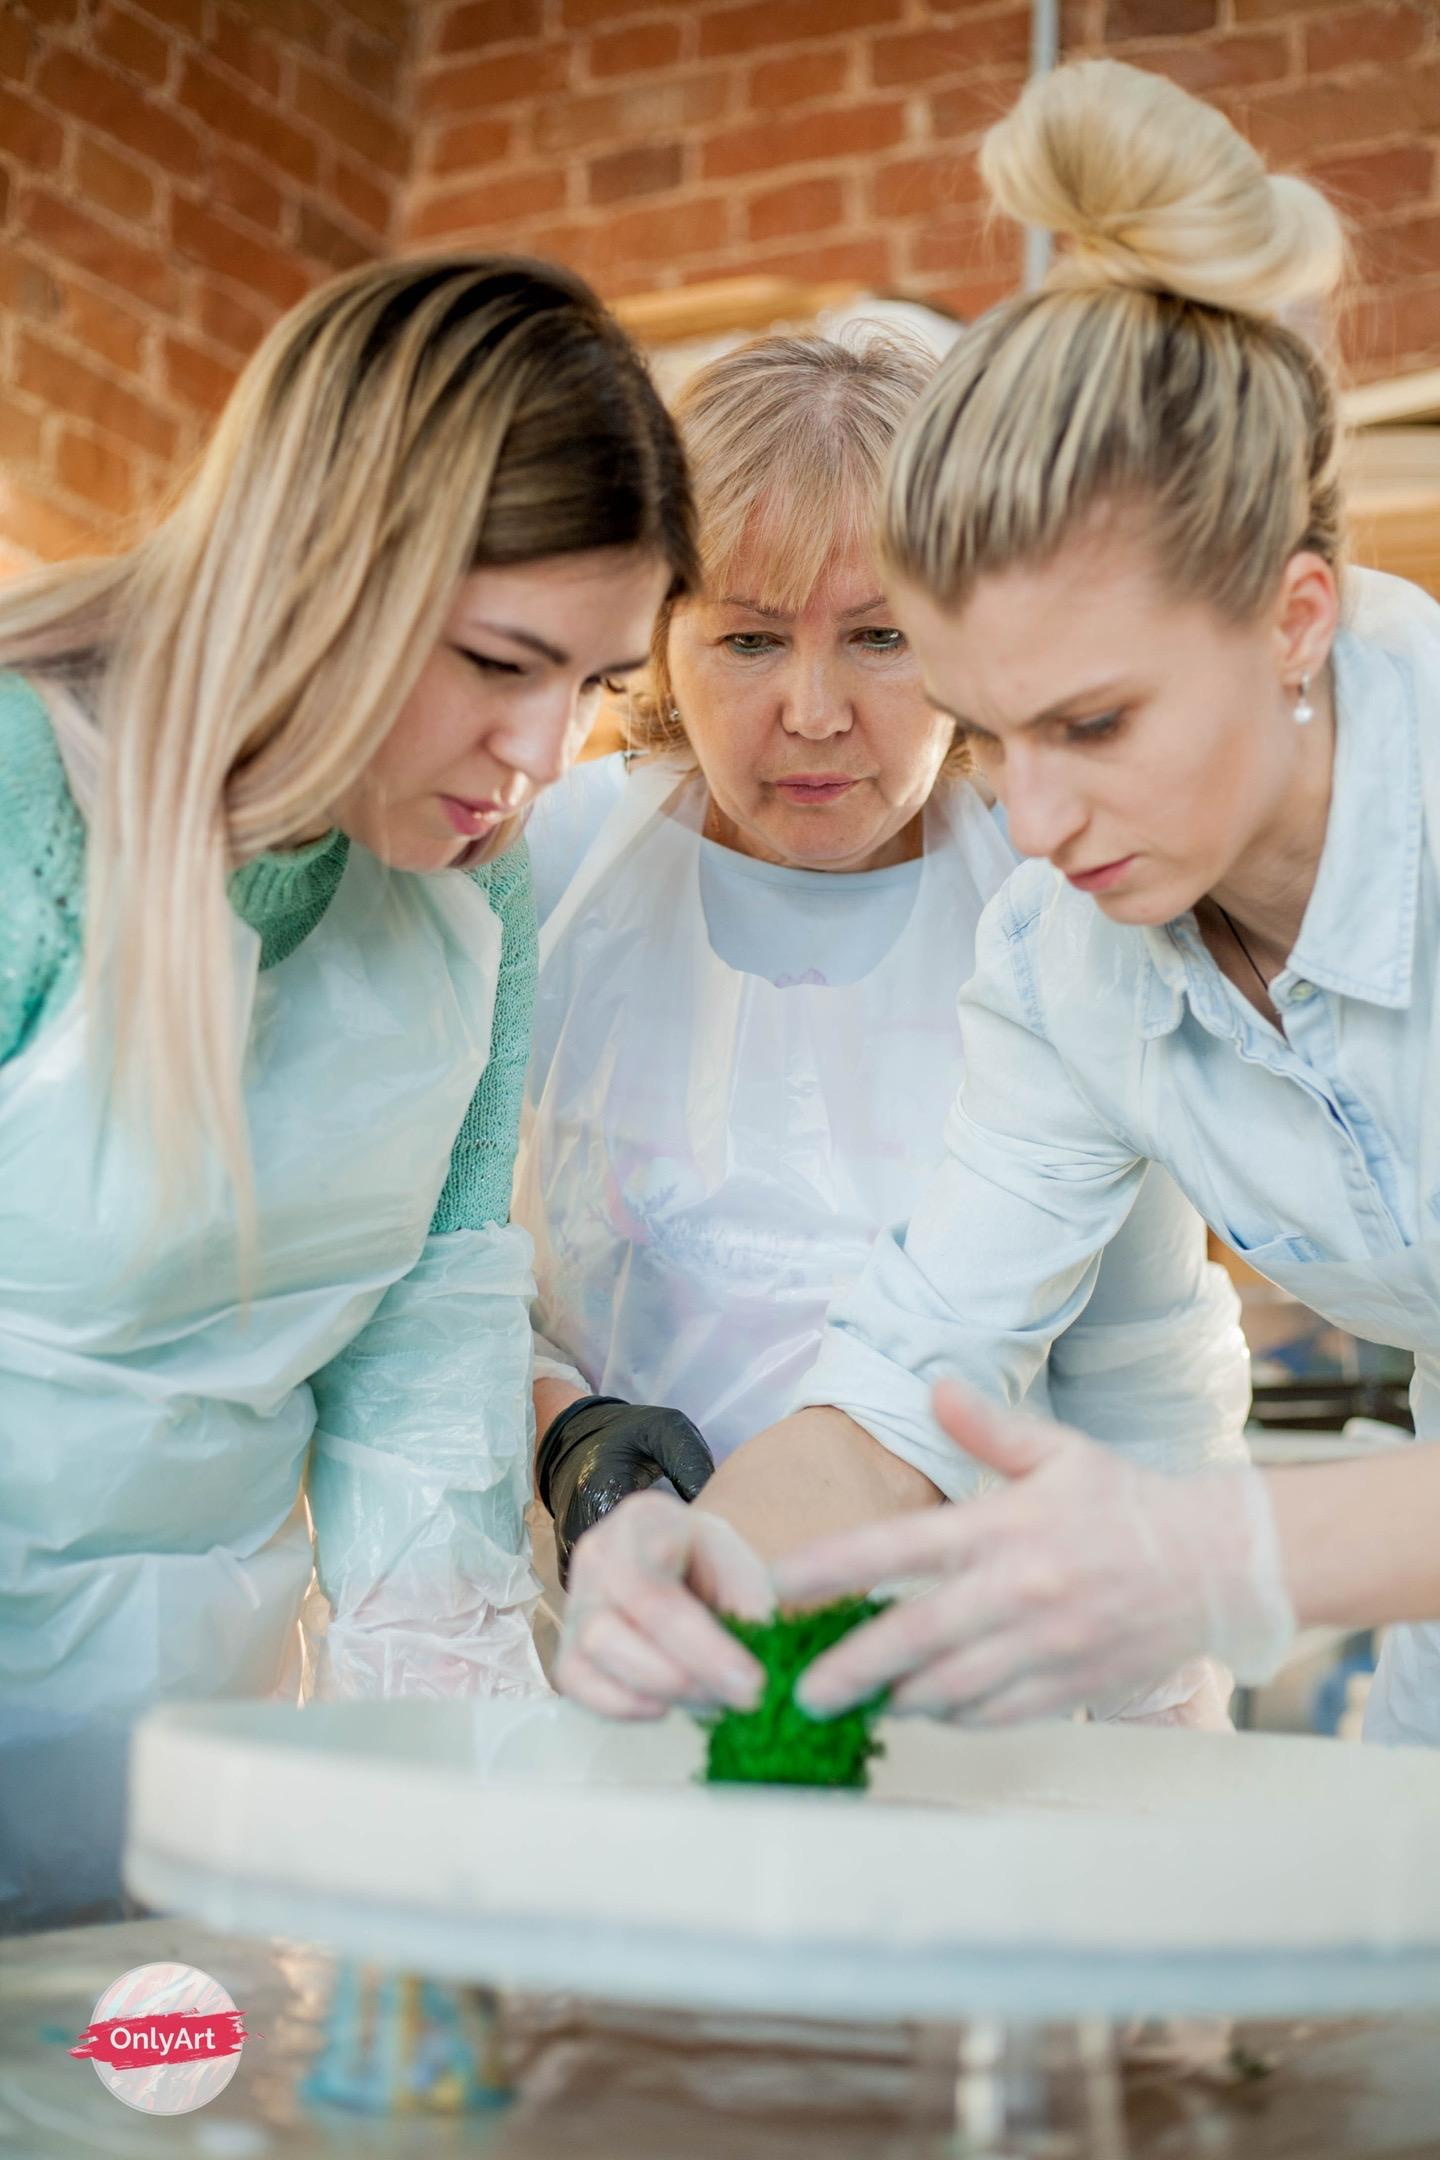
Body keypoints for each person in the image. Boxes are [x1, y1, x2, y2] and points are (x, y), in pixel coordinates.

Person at [555, 59, 1440, 1752]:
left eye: (1094, 725)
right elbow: (915, 1368)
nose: (1031, 823)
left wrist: (1215, 1554)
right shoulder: (1065, 958)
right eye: (1000, 730)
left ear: (1297, 620)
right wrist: (703, 1559)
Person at [0, 254, 695, 1931]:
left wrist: (459, 1801)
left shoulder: (474, 884)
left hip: (204, 1777)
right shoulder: (30, 788)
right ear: (326, 566)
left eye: (598, 685)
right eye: (501, 661)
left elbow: (426, 1333)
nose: (547, 756)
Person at [521, 330, 1249, 1726]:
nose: (814, 713)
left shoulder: (1062, 900)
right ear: (661, 630)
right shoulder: (553, 870)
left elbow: (1144, 1366)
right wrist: (569, 1440)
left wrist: (1168, 1726)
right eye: (748, 637)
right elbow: (428, 1285)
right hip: (618, 1659)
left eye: (882, 637)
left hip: (997, 1690)